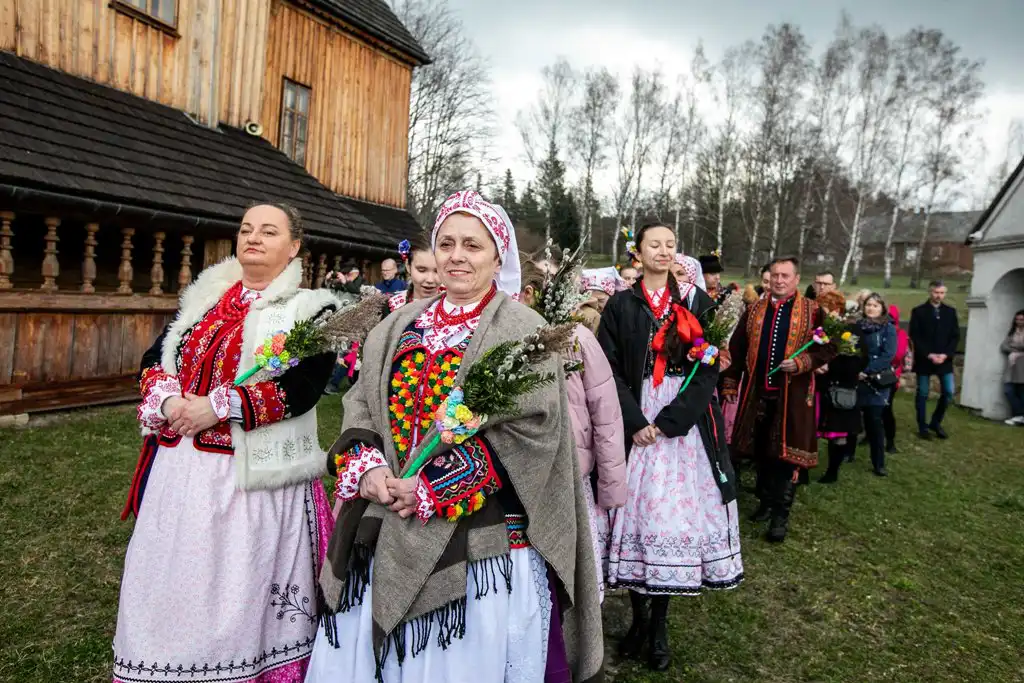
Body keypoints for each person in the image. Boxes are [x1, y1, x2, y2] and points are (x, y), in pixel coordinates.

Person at [306, 190, 604, 683]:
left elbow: (535, 431)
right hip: (382, 517)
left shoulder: (522, 328)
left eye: (472, 245)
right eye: (446, 243)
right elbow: (360, 401)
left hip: (477, 543)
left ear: (496, 255)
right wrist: (369, 468)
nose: (457, 256)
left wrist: (433, 487)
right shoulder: (397, 325)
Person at [113, 204, 339, 682]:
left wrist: (218, 406)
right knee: (169, 584)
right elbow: (157, 355)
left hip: (248, 479)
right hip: (180, 473)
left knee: (235, 589)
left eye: (269, 231)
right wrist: (170, 398)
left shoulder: (310, 311)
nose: (253, 238)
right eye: (245, 229)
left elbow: (300, 390)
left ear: (294, 246)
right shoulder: (205, 298)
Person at [598, 223, 742, 672]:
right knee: (636, 523)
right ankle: (638, 620)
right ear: (637, 253)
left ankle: (658, 627)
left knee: (666, 522)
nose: (663, 251)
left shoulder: (697, 302)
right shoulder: (622, 304)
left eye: (670, 245)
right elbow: (607, 369)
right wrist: (636, 421)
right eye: (654, 244)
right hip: (636, 422)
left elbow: (709, 367)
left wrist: (670, 422)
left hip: (683, 428)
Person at [521, 260, 627, 604]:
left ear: (531, 294)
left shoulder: (577, 339)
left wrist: (610, 485)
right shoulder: (503, 337)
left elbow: (606, 415)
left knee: (569, 563)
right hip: (520, 474)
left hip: (569, 472)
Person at [722, 257, 834, 543]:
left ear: (797, 280)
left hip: (793, 397)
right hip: (757, 393)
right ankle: (765, 502)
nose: (779, 280)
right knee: (761, 451)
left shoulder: (813, 311)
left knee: (785, 456)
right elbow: (737, 347)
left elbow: (830, 347)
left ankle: (779, 518)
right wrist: (732, 380)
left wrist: (803, 362)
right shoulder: (755, 309)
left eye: (785, 276)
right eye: (775, 275)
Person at [815, 291, 864, 484]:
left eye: (825, 310)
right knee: (811, 431)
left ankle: (832, 471)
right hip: (819, 388)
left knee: (838, 434)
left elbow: (856, 363)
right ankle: (801, 468)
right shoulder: (820, 329)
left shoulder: (851, 332)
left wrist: (829, 366)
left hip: (840, 389)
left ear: (836, 310)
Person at [909, 280, 960, 439]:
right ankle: (922, 426)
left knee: (948, 392)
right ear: (930, 292)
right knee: (923, 393)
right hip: (925, 359)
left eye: (942, 293)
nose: (939, 296)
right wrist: (928, 354)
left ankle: (935, 422)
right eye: (936, 292)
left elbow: (955, 336)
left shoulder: (950, 312)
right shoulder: (919, 311)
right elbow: (915, 336)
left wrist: (946, 354)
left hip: (944, 359)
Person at [856, 293, 898, 477]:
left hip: (876, 380)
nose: (871, 308)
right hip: (856, 378)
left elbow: (888, 355)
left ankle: (878, 463)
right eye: (868, 305)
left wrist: (868, 370)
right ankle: (847, 453)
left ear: (882, 308)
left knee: (874, 421)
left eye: (875, 305)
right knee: (853, 418)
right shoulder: (857, 327)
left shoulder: (888, 328)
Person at [387, 234, 441, 312]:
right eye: (421, 270)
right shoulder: (388, 308)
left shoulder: (457, 308)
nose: (430, 279)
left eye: (437, 271)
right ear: (408, 266)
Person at [882, 305, 911, 451]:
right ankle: (870, 436)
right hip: (875, 374)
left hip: (890, 376)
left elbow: (897, 355)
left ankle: (890, 441)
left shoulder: (899, 333)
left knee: (887, 409)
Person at [577, 268, 622, 335]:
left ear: (610, 298)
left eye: (601, 300)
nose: (595, 303)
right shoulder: (580, 315)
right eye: (590, 299)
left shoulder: (618, 318)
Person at [1001, 310, 1024, 425]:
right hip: (1012, 364)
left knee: (1021, 391)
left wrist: (1015, 348)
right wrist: (1013, 350)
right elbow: (1004, 346)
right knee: (1008, 390)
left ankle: (1020, 416)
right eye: (1017, 319)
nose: (1018, 322)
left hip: (1022, 365)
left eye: (1021, 320)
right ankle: (1020, 415)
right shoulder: (1012, 332)